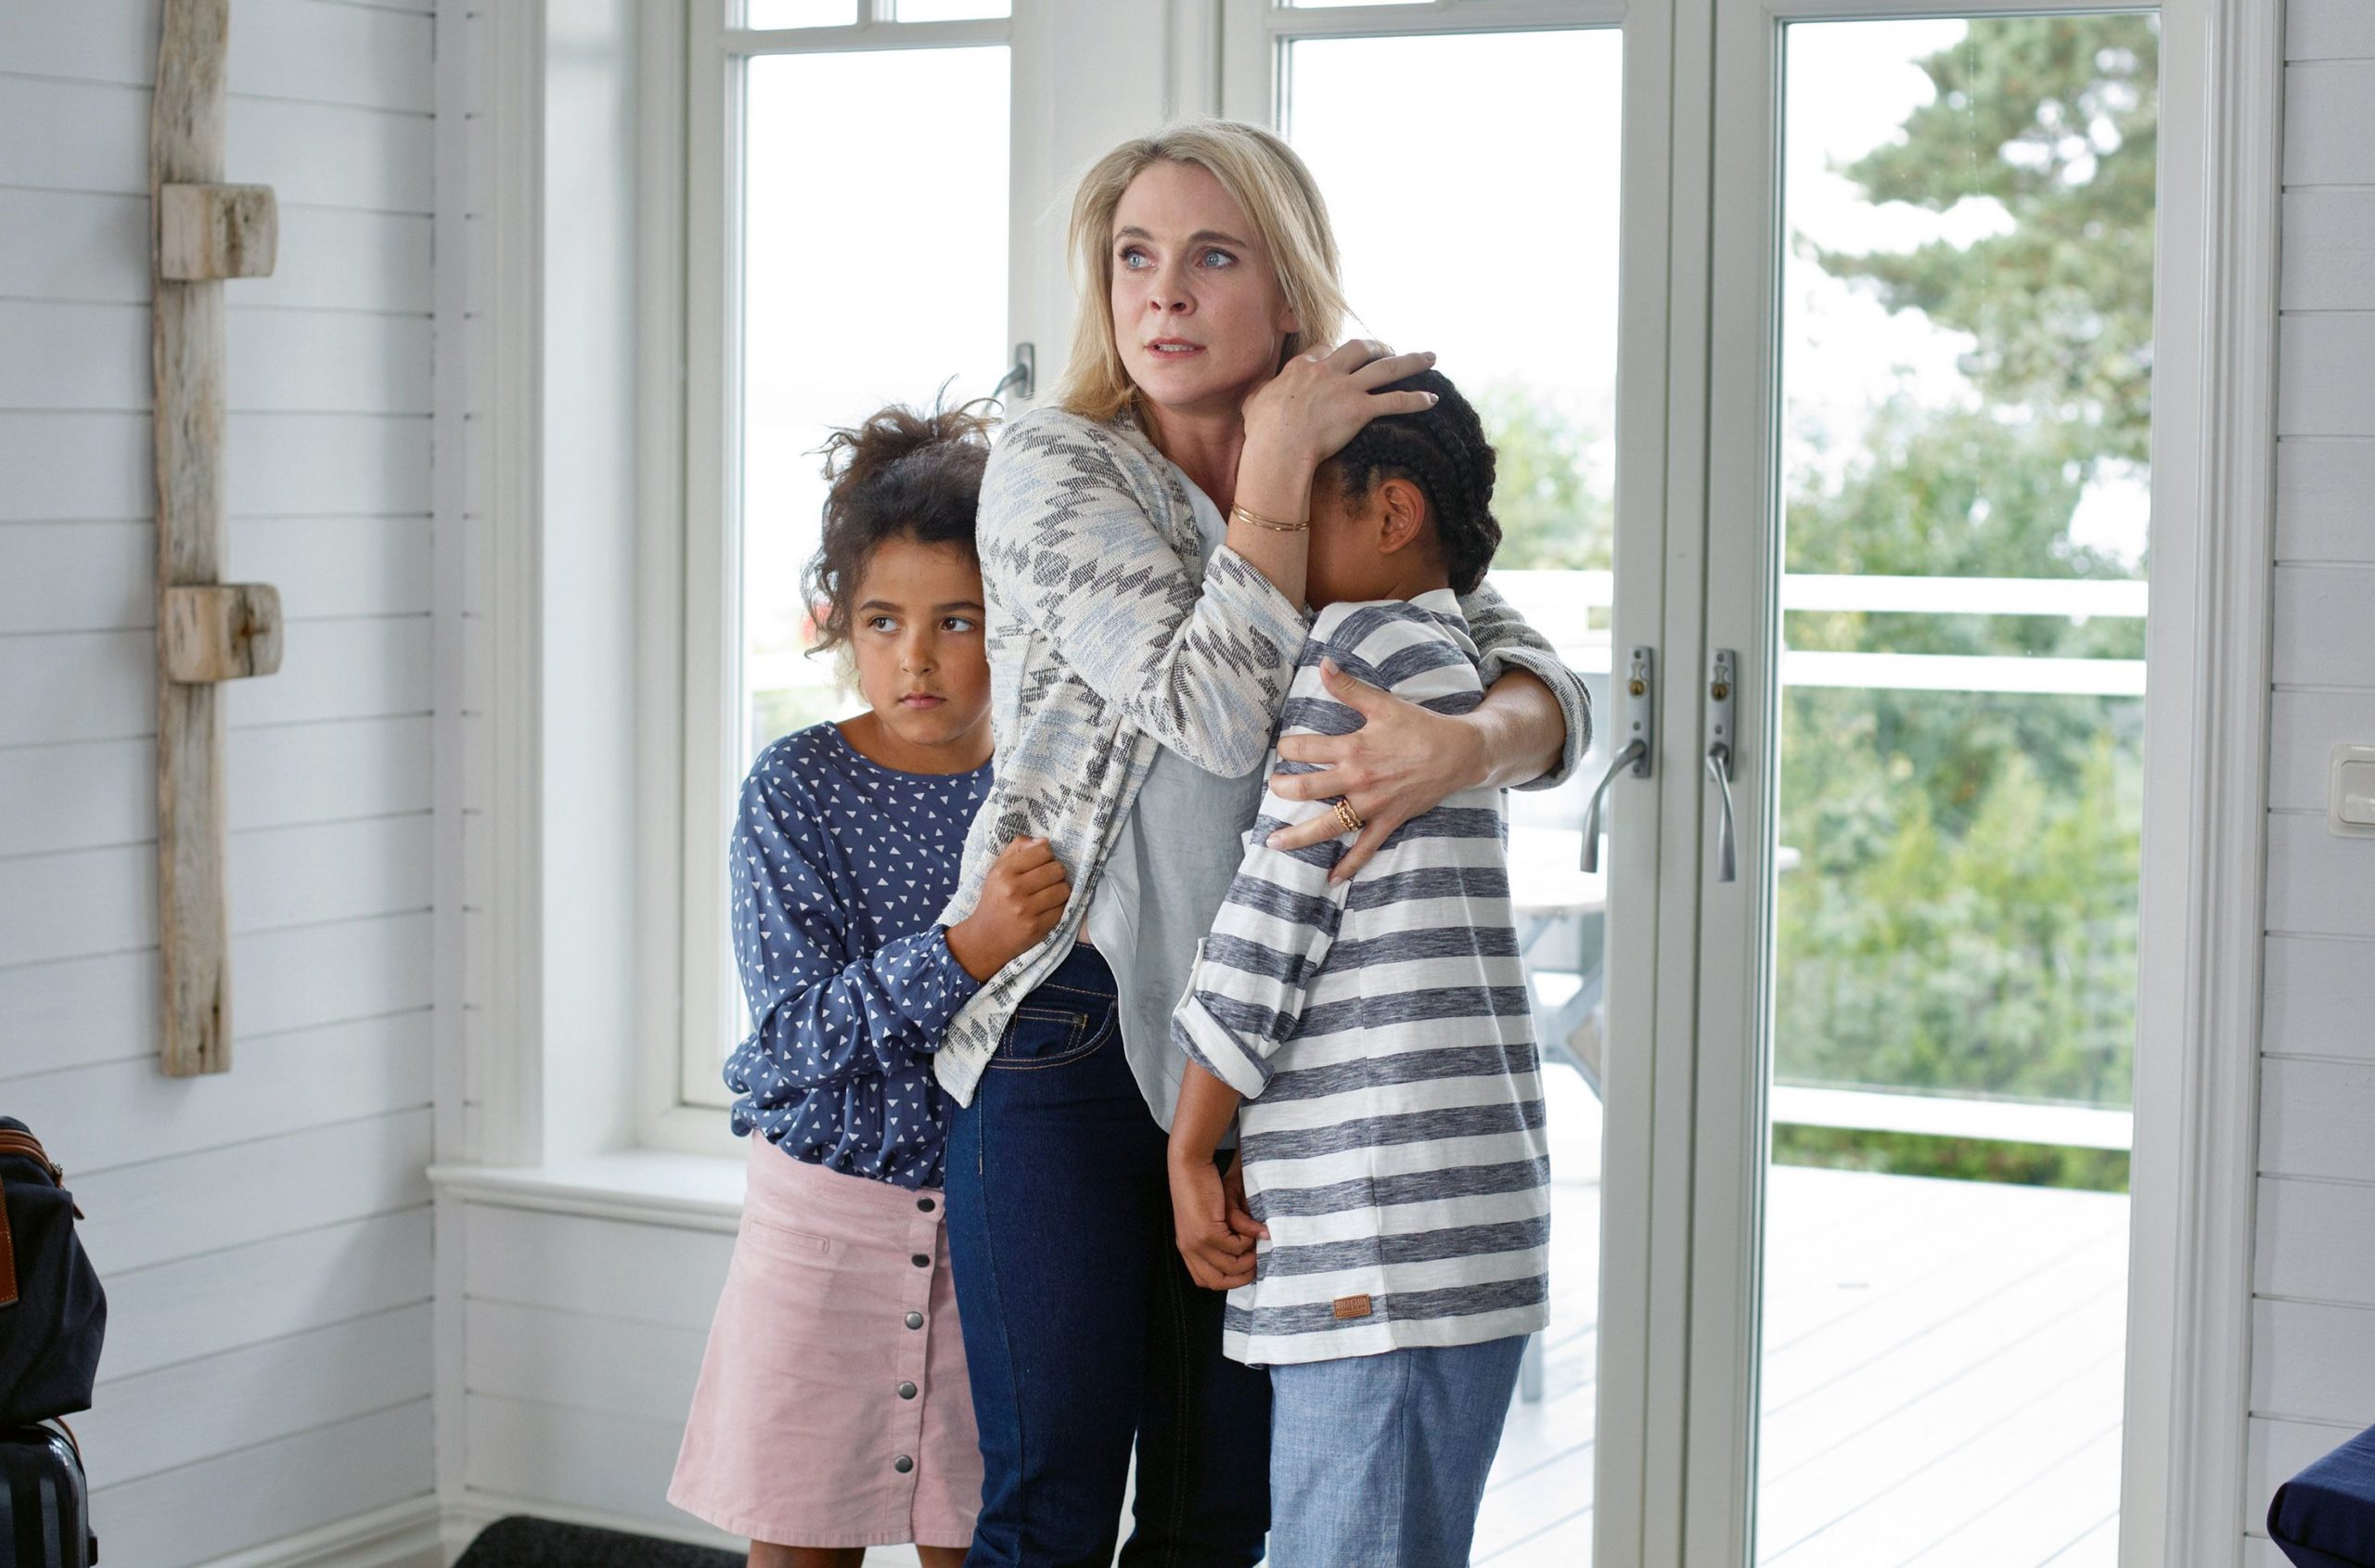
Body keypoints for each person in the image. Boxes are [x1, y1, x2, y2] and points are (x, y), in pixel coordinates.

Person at [927, 122, 1593, 1567]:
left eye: (1212, 256)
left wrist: (1468, 742)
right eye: (1134, 257)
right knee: (1048, 1512)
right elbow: (1214, 716)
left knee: (1219, 1514)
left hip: (1270, 1059)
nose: (1162, 292)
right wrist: (1277, 471)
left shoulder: (1364, 451)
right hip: (1073, 1019)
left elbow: (1529, 666)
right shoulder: (1055, 463)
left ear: (1288, 288)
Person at [667, 404, 1072, 1568]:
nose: (916, 658)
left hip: (997, 1234)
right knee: (800, 1549)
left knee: (979, 1543)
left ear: (1011, 625)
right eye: (883, 621)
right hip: (824, 1232)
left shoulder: (1046, 788)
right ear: (842, 624)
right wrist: (964, 948)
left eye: (957, 621)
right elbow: (793, 1038)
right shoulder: (796, 784)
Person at [1167, 370, 1547, 1568]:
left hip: (1384, 1229)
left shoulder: (1356, 658)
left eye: (1291, 500)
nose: (1261, 535)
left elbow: (1272, 920)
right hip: (1448, 1217)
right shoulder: (1449, 657)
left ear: (1390, 513)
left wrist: (1190, 1142)